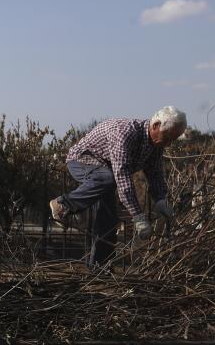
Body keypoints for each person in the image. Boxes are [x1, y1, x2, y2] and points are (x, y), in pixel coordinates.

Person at [50, 106, 187, 266]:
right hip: (81, 160)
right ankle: (62, 204)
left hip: (105, 172)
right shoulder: (124, 133)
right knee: (108, 178)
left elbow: (155, 173)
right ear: (156, 125)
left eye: (173, 139)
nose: (169, 143)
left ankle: (99, 269)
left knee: (109, 221)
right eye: (168, 136)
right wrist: (138, 217)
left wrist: (160, 199)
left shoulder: (156, 145)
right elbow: (122, 178)